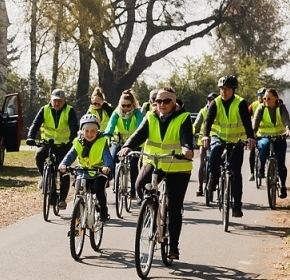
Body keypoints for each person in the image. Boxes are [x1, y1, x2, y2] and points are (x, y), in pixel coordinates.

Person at [124, 87, 196, 261]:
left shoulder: (183, 118)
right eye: (158, 101)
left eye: (166, 101)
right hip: (155, 162)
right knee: (139, 185)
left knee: (174, 207)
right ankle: (150, 210)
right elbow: (139, 134)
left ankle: (173, 247)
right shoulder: (150, 116)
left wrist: (187, 148)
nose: (161, 105)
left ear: (174, 102)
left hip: (178, 165)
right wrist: (128, 146)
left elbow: (186, 136)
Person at [201, 74, 256, 218]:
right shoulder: (215, 102)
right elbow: (208, 120)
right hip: (219, 137)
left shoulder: (240, 103)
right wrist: (205, 135)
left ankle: (237, 206)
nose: (223, 92)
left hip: (237, 140)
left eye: (226, 89)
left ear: (233, 90)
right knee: (214, 155)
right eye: (221, 89)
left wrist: (250, 137)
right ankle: (213, 179)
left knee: (236, 172)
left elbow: (246, 122)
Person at [27, 89, 76, 211]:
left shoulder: (69, 110)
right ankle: (45, 178)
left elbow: (74, 127)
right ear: (51, 99)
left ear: (64, 101)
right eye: (55, 101)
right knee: (39, 156)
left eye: (59, 101)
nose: (57, 103)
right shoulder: (44, 109)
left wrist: (73, 140)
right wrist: (30, 137)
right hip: (47, 144)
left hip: (63, 145)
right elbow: (35, 124)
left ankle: (62, 200)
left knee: (63, 170)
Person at [57, 113, 110, 220]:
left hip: (98, 172)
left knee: (99, 190)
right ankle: (76, 221)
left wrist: (107, 166)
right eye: (87, 131)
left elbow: (107, 156)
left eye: (93, 131)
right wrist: (63, 164)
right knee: (77, 191)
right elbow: (70, 155)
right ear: (82, 131)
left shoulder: (102, 141)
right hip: (82, 171)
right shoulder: (78, 142)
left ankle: (103, 210)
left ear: (97, 131)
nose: (89, 134)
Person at [253, 87, 290, 198]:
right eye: (264, 98)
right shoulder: (261, 108)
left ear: (276, 98)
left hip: (279, 138)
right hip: (264, 136)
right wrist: (252, 134)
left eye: (269, 98)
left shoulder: (281, 108)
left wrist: (288, 130)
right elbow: (255, 123)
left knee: (281, 164)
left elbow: (286, 120)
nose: (266, 100)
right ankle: (261, 169)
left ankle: (283, 186)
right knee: (265, 146)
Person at [103, 89, 143, 183]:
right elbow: (111, 124)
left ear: (133, 104)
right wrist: (108, 134)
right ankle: (110, 180)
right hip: (118, 141)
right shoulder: (117, 113)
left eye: (128, 105)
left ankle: (133, 189)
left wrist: (137, 139)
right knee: (113, 159)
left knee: (133, 165)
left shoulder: (137, 113)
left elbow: (139, 127)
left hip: (134, 143)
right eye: (123, 105)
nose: (125, 108)